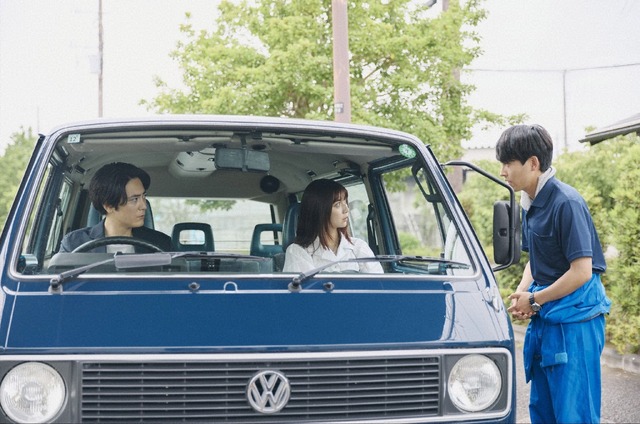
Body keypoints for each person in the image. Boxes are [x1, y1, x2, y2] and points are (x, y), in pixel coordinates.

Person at [496, 124, 611, 424]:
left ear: (533, 163)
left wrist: (535, 300)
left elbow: (581, 272)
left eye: (508, 163)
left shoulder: (566, 202)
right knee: (543, 411)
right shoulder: (529, 203)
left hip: (576, 322)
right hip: (548, 318)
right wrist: (523, 293)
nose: (503, 171)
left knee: (575, 414)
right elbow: (534, 259)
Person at [60, 162, 171, 253]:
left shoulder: (161, 243)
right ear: (109, 206)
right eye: (134, 199)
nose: (144, 206)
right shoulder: (73, 244)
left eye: (144, 196)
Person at [283, 179, 383, 274]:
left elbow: (379, 284)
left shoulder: (359, 246)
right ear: (319, 210)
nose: (346, 209)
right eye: (337, 204)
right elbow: (303, 286)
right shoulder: (297, 251)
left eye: (345, 202)